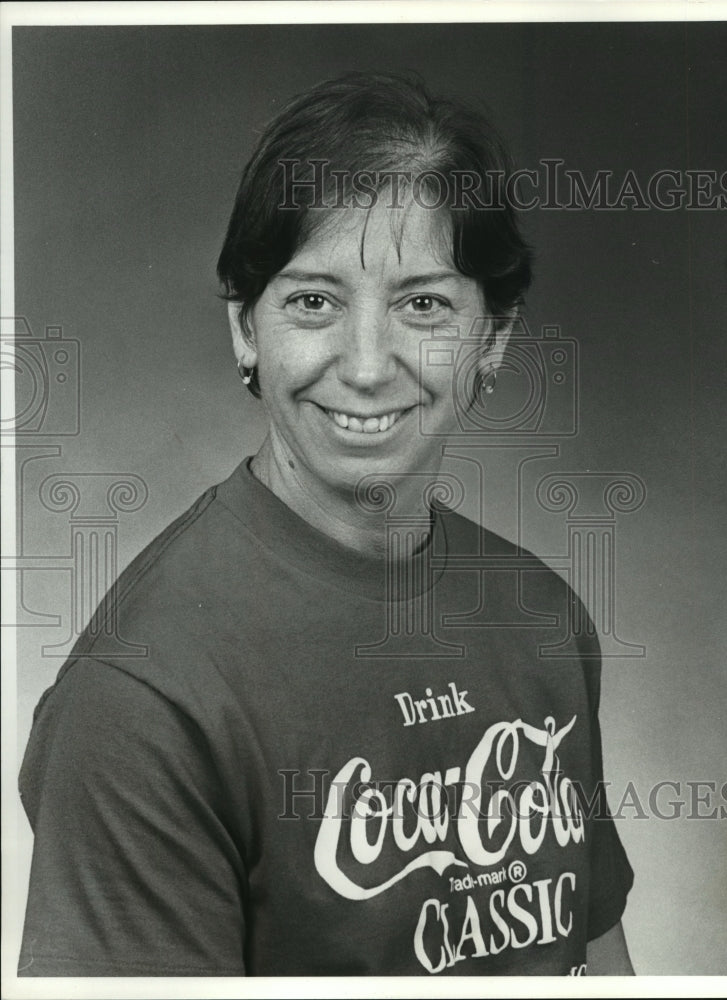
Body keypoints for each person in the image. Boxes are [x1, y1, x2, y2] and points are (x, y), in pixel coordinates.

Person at [18, 71, 634, 977]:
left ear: (492, 339)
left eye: (423, 304)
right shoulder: (142, 701)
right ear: (245, 330)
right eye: (313, 301)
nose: (368, 366)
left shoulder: (540, 616)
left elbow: (594, 958)